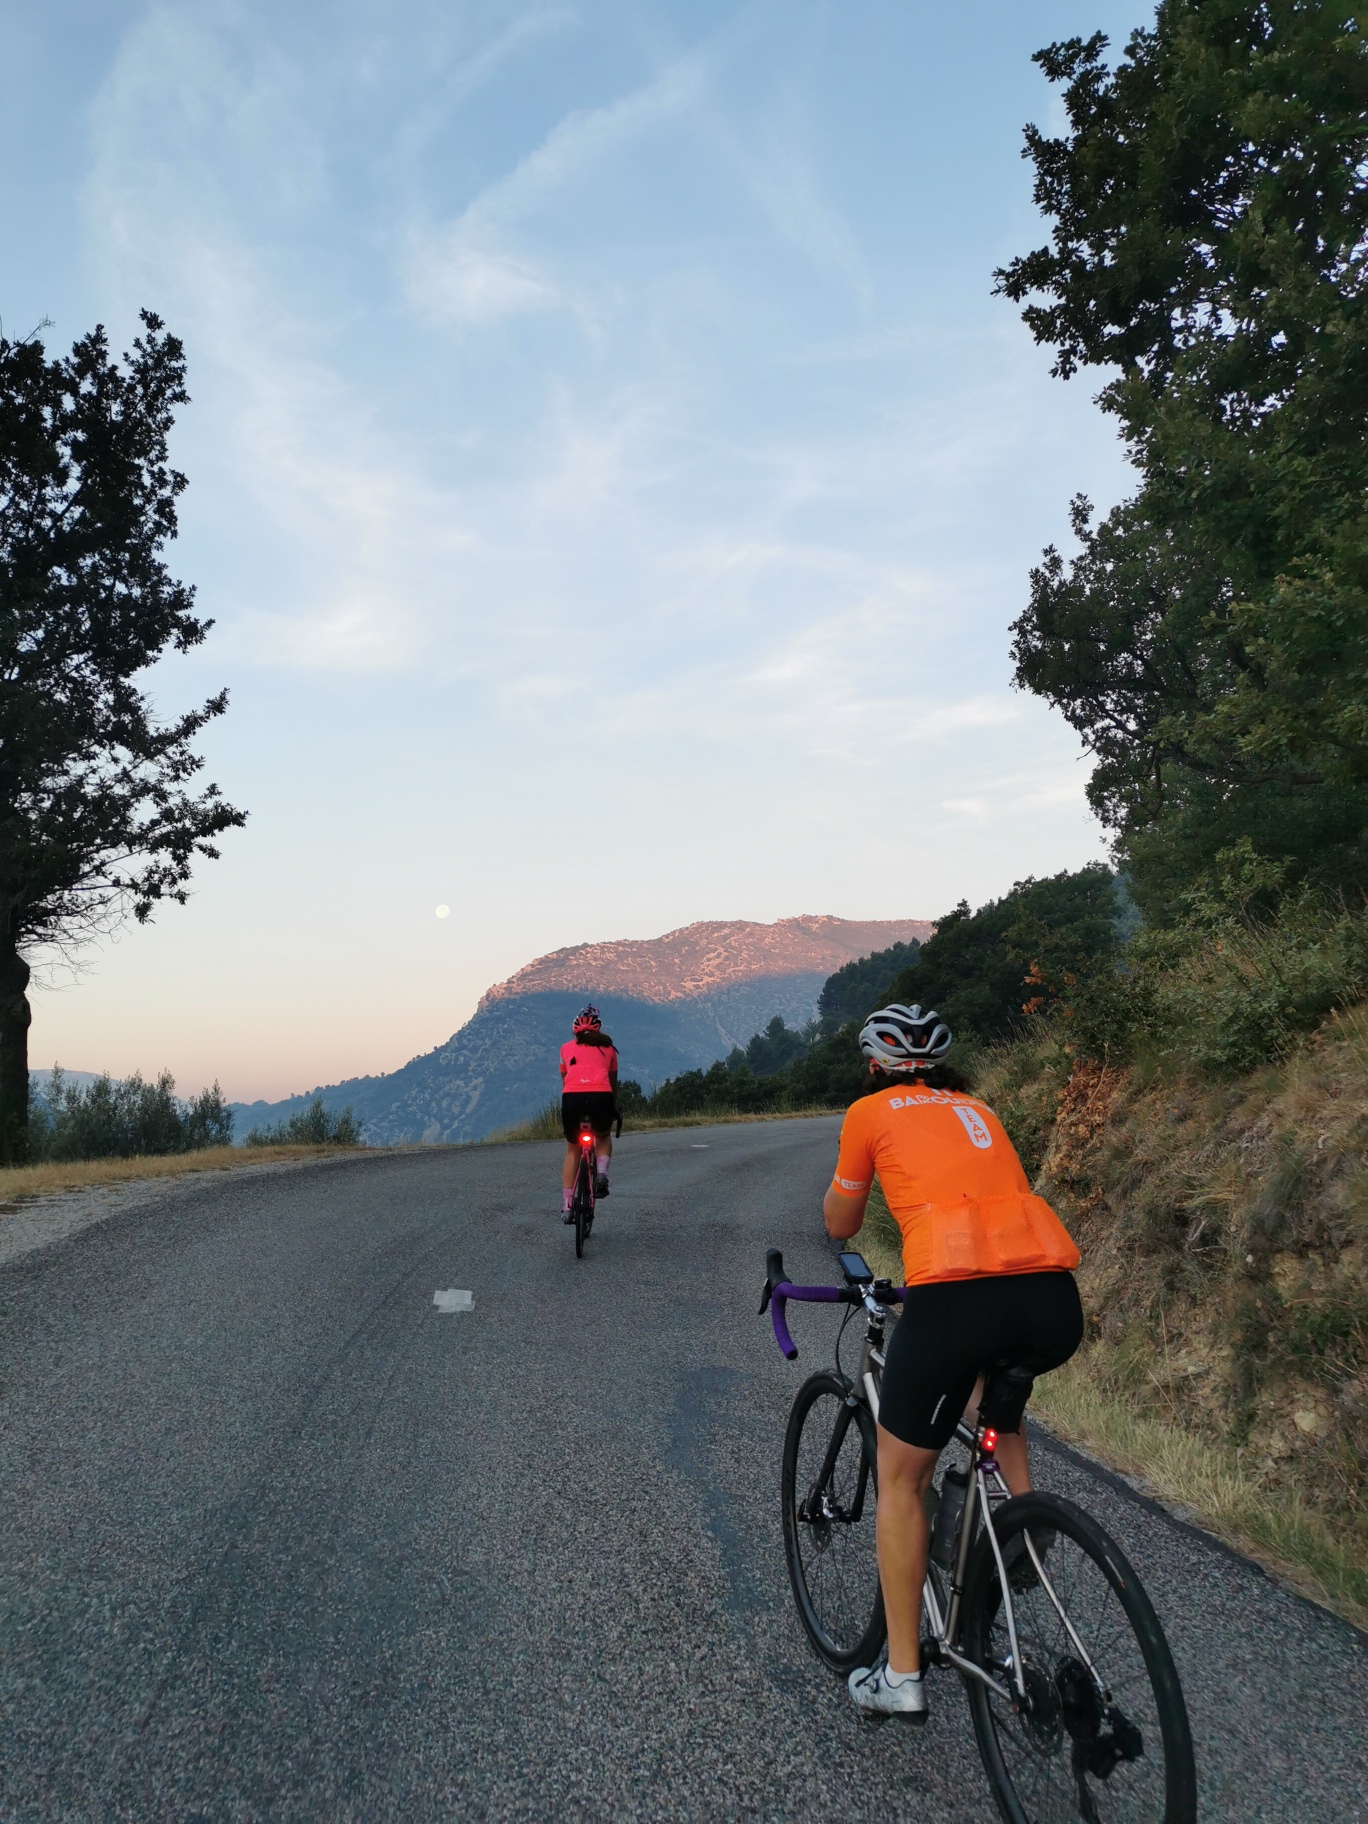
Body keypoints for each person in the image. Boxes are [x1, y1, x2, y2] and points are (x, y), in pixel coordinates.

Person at [822, 1003, 1083, 1723]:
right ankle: (1022, 1522)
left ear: (874, 1065)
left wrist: (846, 1189)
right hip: (1052, 1302)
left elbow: (841, 1223)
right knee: (991, 1395)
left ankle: (902, 1675)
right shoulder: (978, 1109)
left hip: (957, 1301)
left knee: (902, 1479)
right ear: (941, 1065)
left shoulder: (870, 1111)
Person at [559, 1005, 619, 1218]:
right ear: (598, 1028)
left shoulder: (565, 1049)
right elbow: (612, 1082)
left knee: (573, 1151)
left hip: (572, 1100)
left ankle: (567, 1206)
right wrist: (612, 1106)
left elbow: (565, 1079)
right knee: (603, 1136)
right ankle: (601, 1174)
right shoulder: (609, 1049)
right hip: (601, 1098)